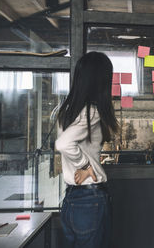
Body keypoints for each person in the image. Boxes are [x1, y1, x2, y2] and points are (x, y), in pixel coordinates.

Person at [56, 52, 119, 248]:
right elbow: (63, 144)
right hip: (90, 198)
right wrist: (86, 166)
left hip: (72, 198)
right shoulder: (91, 111)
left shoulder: (66, 111)